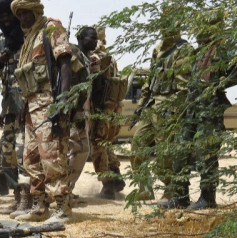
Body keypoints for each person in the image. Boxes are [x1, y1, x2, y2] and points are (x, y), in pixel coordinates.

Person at [160, 11, 237, 209]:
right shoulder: (199, 51)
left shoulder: (223, 49)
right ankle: (179, 197)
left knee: (206, 154)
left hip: (210, 111)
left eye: (203, 26)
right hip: (192, 110)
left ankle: (208, 198)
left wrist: (219, 85)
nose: (197, 32)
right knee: (180, 150)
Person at [11, 0, 73, 223]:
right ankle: (39, 205)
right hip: (31, 105)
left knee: (52, 156)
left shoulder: (50, 27)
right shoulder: (30, 37)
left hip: (49, 103)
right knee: (31, 157)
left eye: (26, 13)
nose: (22, 19)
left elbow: (64, 62)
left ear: (36, 11)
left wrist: (63, 99)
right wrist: (23, 107)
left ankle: (63, 208)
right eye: (20, 15)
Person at [130, 26, 193, 201]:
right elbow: (150, 80)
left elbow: (184, 86)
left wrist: (174, 110)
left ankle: (171, 190)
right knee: (137, 145)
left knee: (164, 151)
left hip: (169, 105)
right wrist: (140, 106)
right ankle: (145, 188)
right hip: (152, 104)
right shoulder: (158, 49)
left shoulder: (184, 49)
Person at [0, 0, 24, 208]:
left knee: (24, 151)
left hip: (32, 105)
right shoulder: (0, 41)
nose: (5, 20)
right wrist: (0, 61)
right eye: (0, 17)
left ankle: (31, 195)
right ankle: (11, 190)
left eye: (8, 16)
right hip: (10, 105)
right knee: (7, 150)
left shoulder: (29, 36)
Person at [88, 27, 127, 199]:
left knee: (97, 144)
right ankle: (116, 176)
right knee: (106, 143)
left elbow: (94, 84)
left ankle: (108, 185)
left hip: (102, 109)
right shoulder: (110, 58)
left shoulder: (95, 58)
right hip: (114, 108)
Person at [66, 27, 93, 194]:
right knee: (79, 148)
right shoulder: (73, 53)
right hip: (74, 109)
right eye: (92, 38)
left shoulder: (86, 58)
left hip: (82, 109)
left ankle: (65, 189)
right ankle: (64, 189)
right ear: (81, 38)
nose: (95, 42)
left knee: (77, 149)